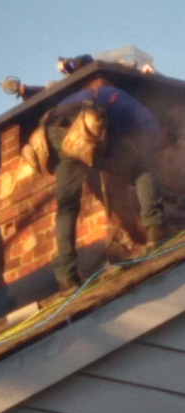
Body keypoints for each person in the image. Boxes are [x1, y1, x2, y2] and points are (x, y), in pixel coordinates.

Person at [23, 86, 166, 290]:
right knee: (142, 170)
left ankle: (67, 276)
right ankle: (156, 231)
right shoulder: (150, 120)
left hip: (51, 129)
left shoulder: (110, 94)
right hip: (83, 121)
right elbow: (136, 146)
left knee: (67, 206)